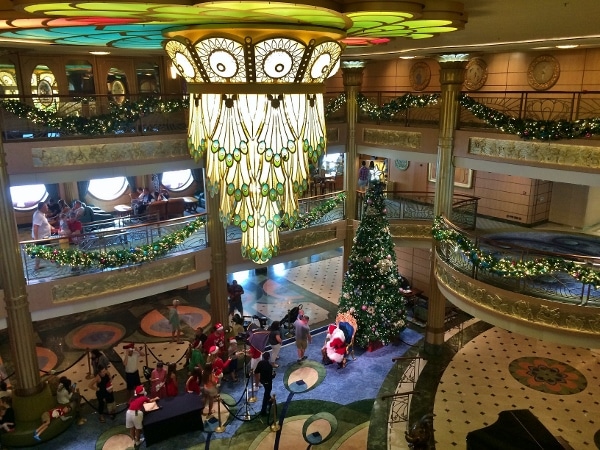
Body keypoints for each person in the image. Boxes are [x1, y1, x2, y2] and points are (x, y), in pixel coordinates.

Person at [31, 201, 56, 270]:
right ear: (43, 208)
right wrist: (36, 239)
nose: (48, 207)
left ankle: (37, 266)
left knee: (39, 251)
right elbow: (36, 227)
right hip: (41, 238)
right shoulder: (38, 215)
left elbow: (45, 223)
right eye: (46, 206)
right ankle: (54, 263)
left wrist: (51, 227)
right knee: (48, 249)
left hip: (43, 237)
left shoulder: (41, 214)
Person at [254, 352, 275, 417]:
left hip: (262, 381)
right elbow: (270, 377)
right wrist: (274, 375)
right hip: (268, 382)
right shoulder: (269, 366)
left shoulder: (260, 363)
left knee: (267, 393)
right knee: (266, 395)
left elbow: (256, 371)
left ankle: (270, 401)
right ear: (268, 357)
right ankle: (263, 410)